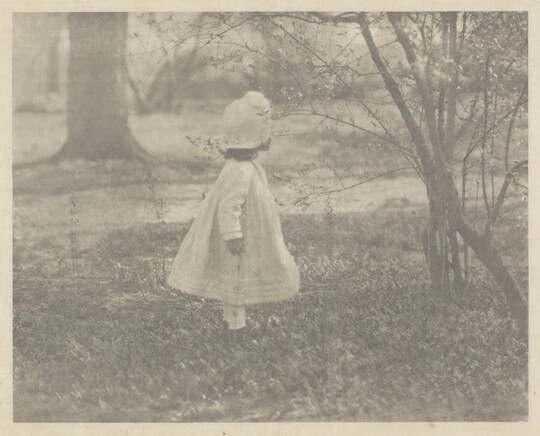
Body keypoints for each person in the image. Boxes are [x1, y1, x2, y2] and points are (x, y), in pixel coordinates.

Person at [167, 91, 300, 342]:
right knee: (237, 276)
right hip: (240, 235)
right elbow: (228, 206)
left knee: (236, 276)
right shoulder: (241, 170)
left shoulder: (244, 167)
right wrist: (233, 234)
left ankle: (232, 322)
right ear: (256, 136)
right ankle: (236, 329)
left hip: (247, 229)